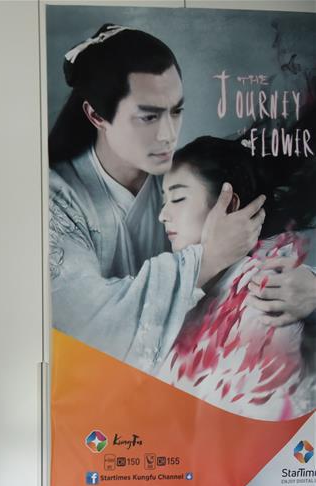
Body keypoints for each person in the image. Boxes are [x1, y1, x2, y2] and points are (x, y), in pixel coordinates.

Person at [48, 24, 316, 373]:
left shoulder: (178, 176)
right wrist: (205, 259)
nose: (168, 134)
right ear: (97, 116)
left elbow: (252, 239)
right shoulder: (58, 200)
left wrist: (309, 286)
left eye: (175, 111)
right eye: (148, 116)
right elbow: (93, 327)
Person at [156, 135, 316, 420]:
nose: (162, 215)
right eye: (165, 200)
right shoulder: (184, 285)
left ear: (229, 204)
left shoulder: (264, 290)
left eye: (178, 198)